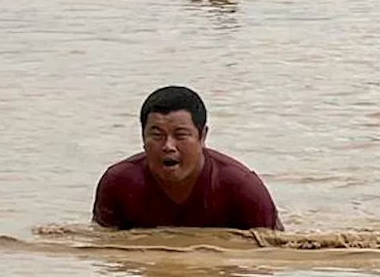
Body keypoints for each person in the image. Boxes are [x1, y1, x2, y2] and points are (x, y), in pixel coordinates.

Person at [92, 86, 283, 231]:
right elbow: (103, 247)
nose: (168, 146)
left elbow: (272, 257)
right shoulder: (118, 183)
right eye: (157, 135)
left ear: (202, 137)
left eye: (180, 135)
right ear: (143, 137)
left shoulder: (241, 188)